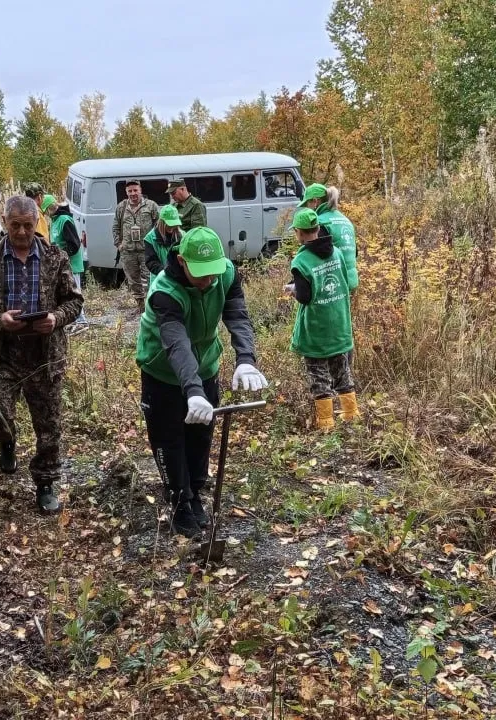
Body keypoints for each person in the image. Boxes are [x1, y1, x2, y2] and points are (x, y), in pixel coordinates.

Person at [136, 226, 268, 538]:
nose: (209, 280)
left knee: (201, 434)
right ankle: (179, 502)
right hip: (163, 372)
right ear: (181, 261)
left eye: (213, 273)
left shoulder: (226, 273)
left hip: (205, 364)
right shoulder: (164, 292)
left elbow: (237, 314)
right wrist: (192, 391)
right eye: (201, 274)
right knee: (170, 440)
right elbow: (176, 345)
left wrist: (246, 359)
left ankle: (195, 494)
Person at [0, 196, 85, 514]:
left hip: (44, 355)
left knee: (48, 425)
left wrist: (56, 318)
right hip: (4, 353)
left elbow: (74, 301)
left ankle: (45, 484)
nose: (21, 232)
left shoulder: (54, 256)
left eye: (27, 225)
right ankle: (7, 442)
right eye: (14, 225)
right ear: (4, 222)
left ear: (36, 224)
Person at [286, 208, 359, 431]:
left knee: (319, 376)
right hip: (339, 324)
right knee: (342, 372)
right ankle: (351, 417)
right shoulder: (335, 252)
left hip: (317, 329)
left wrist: (293, 291)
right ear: (318, 228)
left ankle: (326, 424)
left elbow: (306, 297)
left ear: (299, 232)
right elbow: (344, 283)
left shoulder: (302, 261)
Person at [298, 184, 358, 291]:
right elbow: (355, 252)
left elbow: (315, 257)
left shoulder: (319, 222)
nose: (307, 208)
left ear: (315, 202)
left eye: (307, 204)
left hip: (335, 284)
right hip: (351, 280)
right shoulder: (345, 220)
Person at [41, 194, 89, 327]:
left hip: (71, 263)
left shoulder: (65, 220)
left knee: (75, 292)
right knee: (66, 293)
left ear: (51, 208)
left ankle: (81, 321)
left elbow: (74, 244)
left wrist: (62, 255)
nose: (46, 214)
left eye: (46, 211)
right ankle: (75, 319)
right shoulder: (55, 221)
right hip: (62, 264)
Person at [112, 179, 160, 299]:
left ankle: (152, 303)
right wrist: (119, 244)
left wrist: (155, 244)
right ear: (126, 192)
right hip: (128, 251)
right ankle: (140, 304)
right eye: (130, 191)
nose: (133, 193)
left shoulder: (151, 205)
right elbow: (116, 226)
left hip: (146, 250)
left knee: (150, 277)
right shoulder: (122, 207)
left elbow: (158, 226)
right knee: (133, 280)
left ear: (140, 190)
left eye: (135, 190)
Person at [144, 204, 183, 278]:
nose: (171, 227)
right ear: (161, 221)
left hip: (179, 278)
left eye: (174, 224)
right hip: (160, 279)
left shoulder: (182, 235)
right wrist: (167, 272)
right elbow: (151, 262)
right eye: (168, 224)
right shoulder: (150, 238)